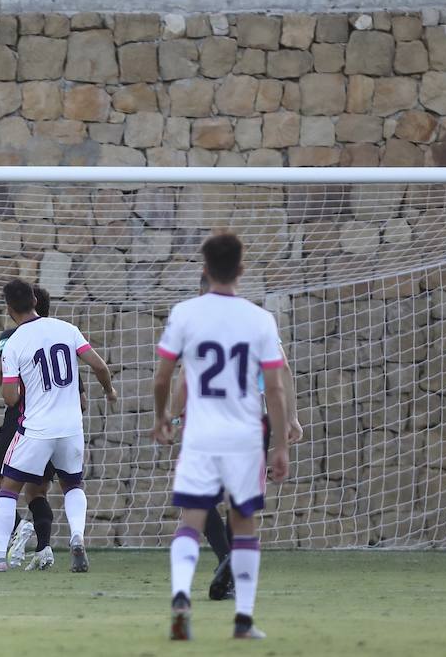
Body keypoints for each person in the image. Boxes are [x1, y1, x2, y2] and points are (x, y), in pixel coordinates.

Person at [151, 233, 294, 641]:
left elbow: (164, 377)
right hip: (245, 438)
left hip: (200, 435)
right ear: (241, 270)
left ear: (205, 269)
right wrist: (281, 444)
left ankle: (181, 599)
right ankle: (243, 620)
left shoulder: (185, 314)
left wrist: (161, 417)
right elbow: (276, 387)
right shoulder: (260, 320)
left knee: (191, 519)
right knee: (244, 524)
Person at [171, 272, 304, 602]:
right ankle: (230, 568)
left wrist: (171, 416)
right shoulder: (256, 321)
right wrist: (290, 418)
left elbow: (183, 375)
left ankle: (225, 558)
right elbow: (283, 370)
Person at [0, 279, 117, 573]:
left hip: (37, 429)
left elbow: (10, 397)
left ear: (9, 309)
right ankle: (77, 537)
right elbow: (100, 366)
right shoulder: (68, 329)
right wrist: (109, 391)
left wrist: (21, 388)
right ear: (35, 301)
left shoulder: (14, 343)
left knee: (7, 489)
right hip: (71, 429)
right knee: (72, 485)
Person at [0, 285, 64, 569]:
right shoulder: (60, 342)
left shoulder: (12, 336)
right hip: (56, 427)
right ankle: (44, 550)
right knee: (37, 492)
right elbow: (81, 399)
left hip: (20, 423)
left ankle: (17, 531)